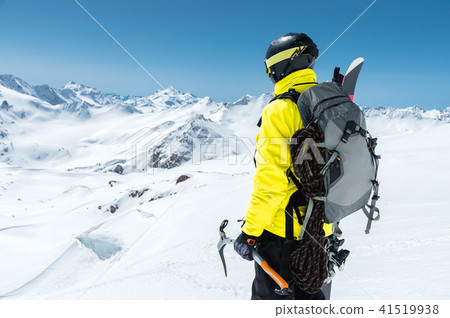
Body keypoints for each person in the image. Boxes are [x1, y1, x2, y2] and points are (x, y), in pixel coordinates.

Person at [234, 33, 334, 300]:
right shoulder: (328, 104)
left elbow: (272, 183)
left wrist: (250, 233)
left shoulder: (280, 111)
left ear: (280, 67)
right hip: (321, 231)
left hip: (284, 237)